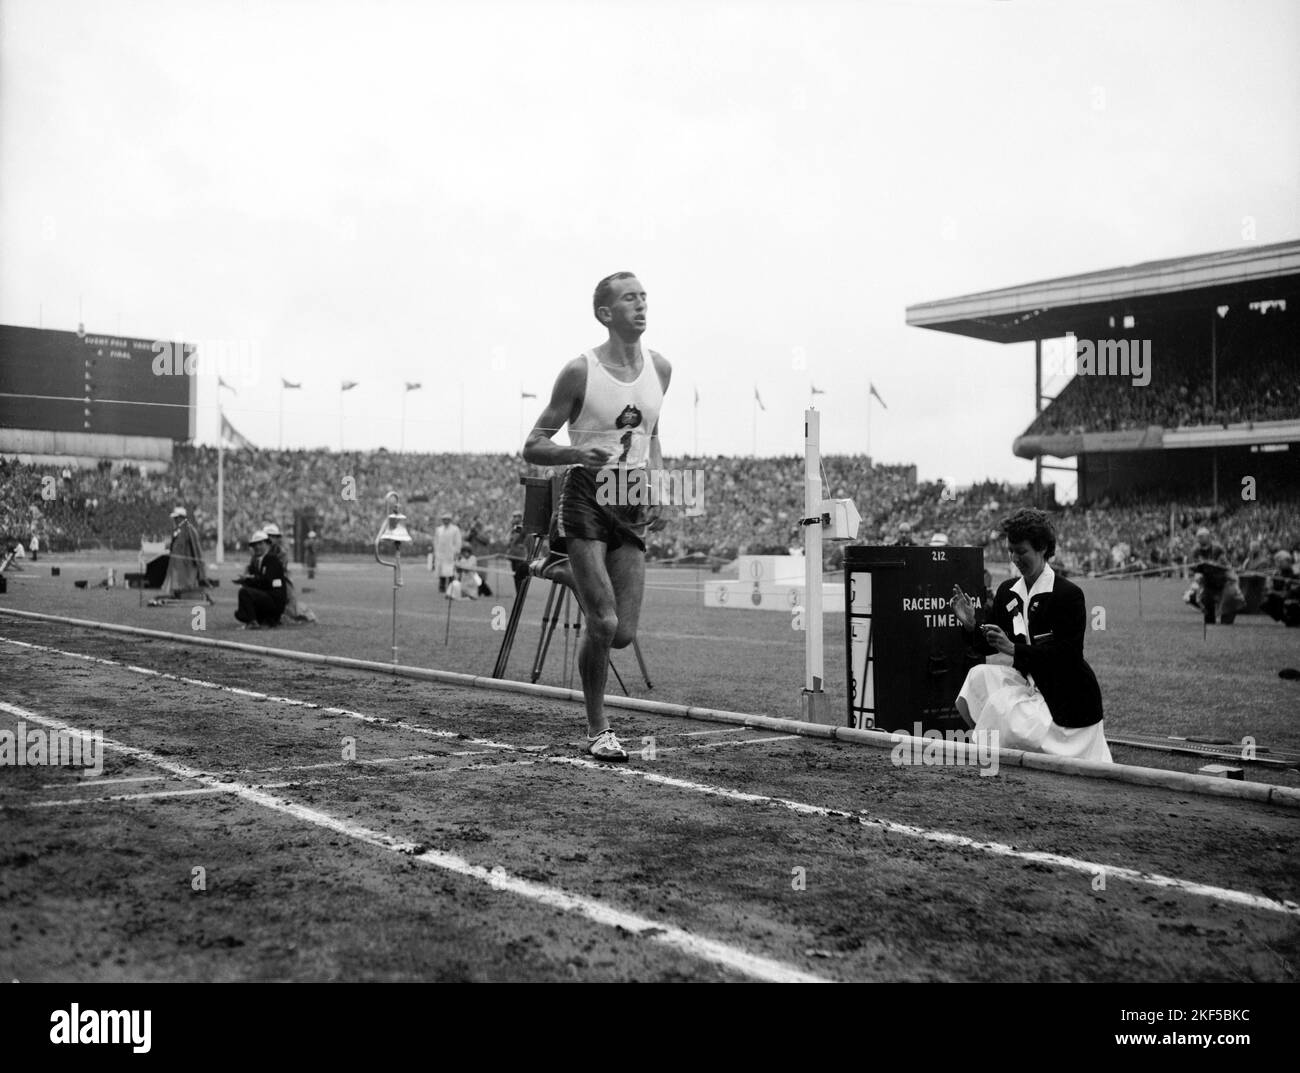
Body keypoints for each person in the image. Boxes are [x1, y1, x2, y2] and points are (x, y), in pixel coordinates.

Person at [522, 270, 670, 761]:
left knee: (623, 633)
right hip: (586, 494)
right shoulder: (579, 372)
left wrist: (658, 486)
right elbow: (533, 445)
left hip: (630, 501)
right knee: (602, 622)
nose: (641, 305)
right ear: (606, 313)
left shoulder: (661, 370)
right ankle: (598, 728)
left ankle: (565, 571)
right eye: (630, 299)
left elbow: (653, 436)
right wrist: (574, 455)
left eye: (644, 297)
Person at [949, 508, 1111, 763]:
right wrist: (971, 625)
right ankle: (998, 753)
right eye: (1010, 550)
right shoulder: (1007, 591)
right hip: (1029, 683)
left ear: (1043, 548)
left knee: (1000, 710)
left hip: (1067, 694)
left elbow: (1067, 655)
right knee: (976, 677)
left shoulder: (1068, 594)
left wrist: (1014, 649)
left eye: (1021, 551)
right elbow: (988, 644)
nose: (1014, 558)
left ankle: (1002, 756)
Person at [1187, 526, 1244, 625]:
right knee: (1206, 599)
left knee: (1229, 598)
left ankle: (1227, 620)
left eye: (1202, 536)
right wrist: (1197, 569)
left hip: (1223, 578)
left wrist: (1215, 564)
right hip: (1208, 580)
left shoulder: (1217, 548)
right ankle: (1210, 622)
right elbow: (1192, 566)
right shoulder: (1195, 550)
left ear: (1208, 537)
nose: (1200, 539)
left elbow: (1225, 563)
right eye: (1198, 537)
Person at [234, 530, 287, 628]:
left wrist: (248, 580)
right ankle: (259, 619)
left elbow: (266, 582)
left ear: (267, 544)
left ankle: (253, 622)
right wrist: (246, 580)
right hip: (267, 598)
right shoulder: (257, 561)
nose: (257, 547)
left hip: (274, 602)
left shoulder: (272, 559)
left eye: (260, 544)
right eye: (254, 545)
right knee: (239, 614)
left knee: (244, 592)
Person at [159, 506, 211, 603]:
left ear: (181, 518)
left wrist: (198, 563)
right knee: (175, 582)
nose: (174, 520)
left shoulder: (190, 530)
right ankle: (176, 594)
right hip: (175, 563)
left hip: (185, 564)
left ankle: (193, 596)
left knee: (185, 584)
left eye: (176, 518)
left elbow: (196, 548)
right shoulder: (177, 530)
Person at [433, 512, 462, 593]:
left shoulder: (455, 529)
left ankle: (450, 587)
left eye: (447, 519)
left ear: (450, 520)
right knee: (441, 571)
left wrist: (457, 551)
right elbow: (436, 541)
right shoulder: (439, 529)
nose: (446, 521)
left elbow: (458, 541)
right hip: (440, 554)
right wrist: (436, 552)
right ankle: (441, 586)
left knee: (450, 572)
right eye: (444, 519)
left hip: (450, 554)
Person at [505, 510, 530, 594]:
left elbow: (526, 537)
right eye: (513, 517)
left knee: (520, 574)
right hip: (513, 554)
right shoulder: (513, 528)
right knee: (515, 575)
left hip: (519, 554)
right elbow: (509, 539)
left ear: (520, 517)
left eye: (516, 516)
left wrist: (524, 545)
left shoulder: (521, 527)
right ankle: (518, 592)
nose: (514, 518)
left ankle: (521, 592)